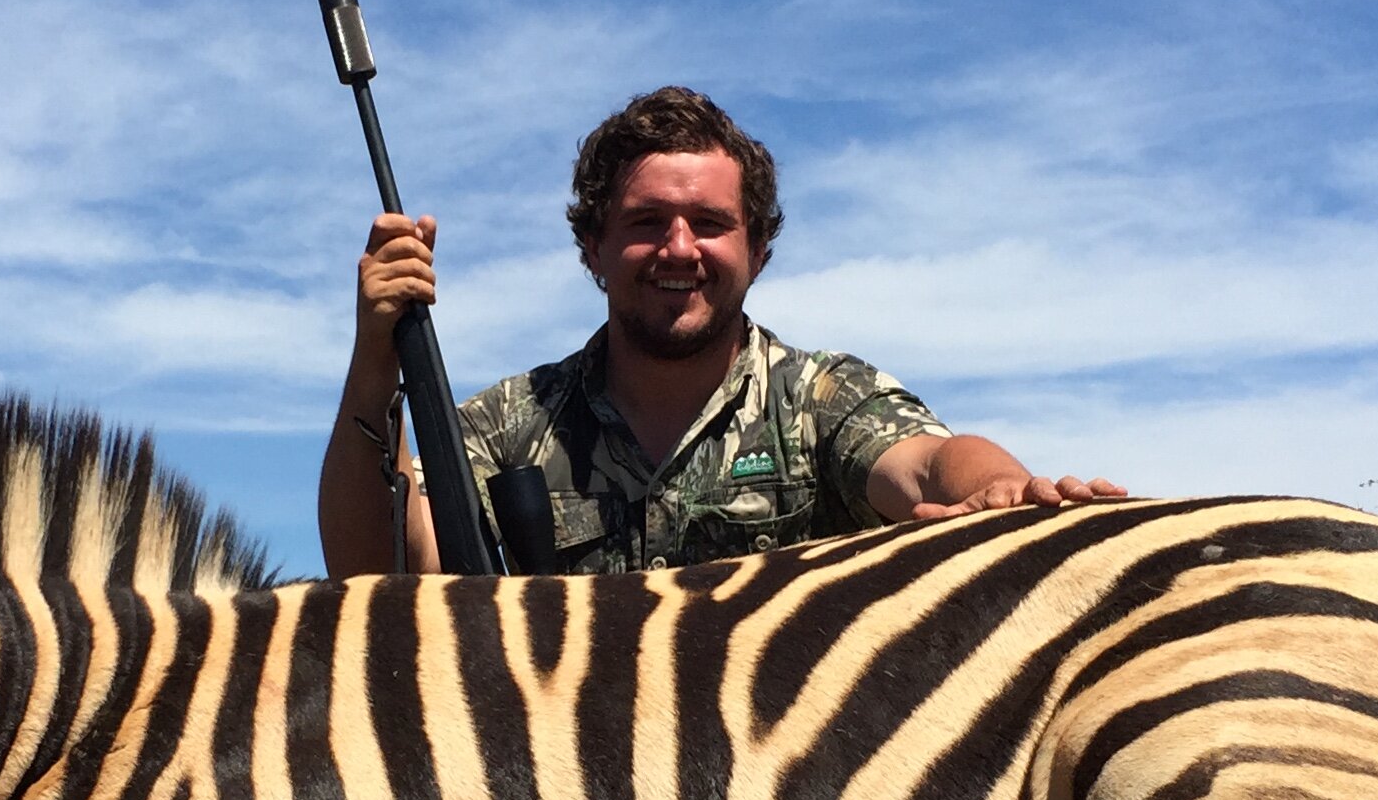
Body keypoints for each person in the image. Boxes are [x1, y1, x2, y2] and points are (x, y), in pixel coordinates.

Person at [318, 86, 1124, 578]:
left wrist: (1003, 494)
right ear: (593, 247)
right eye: (645, 223)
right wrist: (374, 357)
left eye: (709, 222)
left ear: (758, 249)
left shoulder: (817, 396)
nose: (678, 249)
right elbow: (376, 565)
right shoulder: (508, 423)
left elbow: (925, 466)